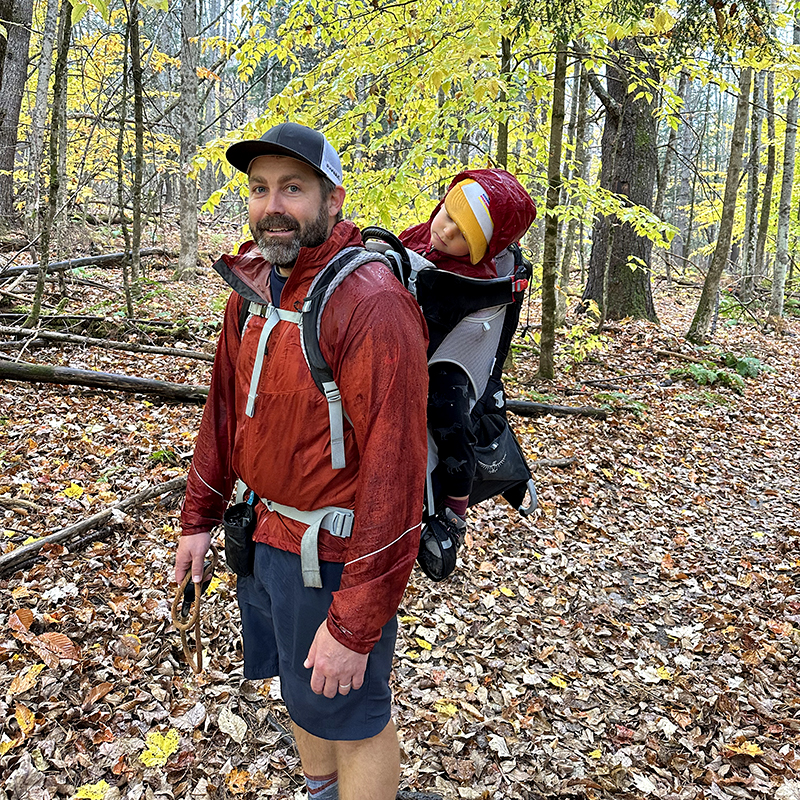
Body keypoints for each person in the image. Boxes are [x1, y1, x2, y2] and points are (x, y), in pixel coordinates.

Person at [175, 122, 429, 800]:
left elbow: (395, 476)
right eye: (259, 190)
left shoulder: (371, 303)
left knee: (354, 715)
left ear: (333, 199)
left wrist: (356, 622)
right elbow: (223, 412)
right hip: (267, 534)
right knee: (299, 687)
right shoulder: (254, 290)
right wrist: (198, 518)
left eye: (293, 188)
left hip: (337, 551)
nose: (272, 206)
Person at [399, 169, 536, 538]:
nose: (445, 231)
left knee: (449, 414)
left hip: (451, 349)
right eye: (447, 215)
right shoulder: (417, 236)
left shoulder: (474, 273)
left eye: (463, 236)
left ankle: (456, 504)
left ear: (482, 250)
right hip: (402, 341)